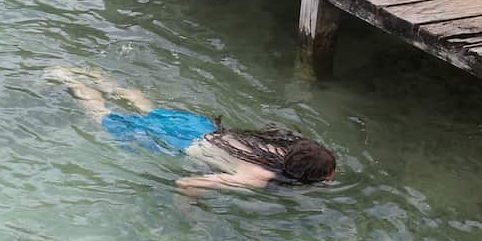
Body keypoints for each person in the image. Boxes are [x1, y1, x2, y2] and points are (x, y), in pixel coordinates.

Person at [47, 67, 336, 194]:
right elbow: (187, 183)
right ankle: (72, 81)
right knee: (104, 118)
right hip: (177, 142)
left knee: (149, 110)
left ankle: (102, 79)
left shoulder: (281, 146)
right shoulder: (257, 178)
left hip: (201, 127)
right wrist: (193, 214)